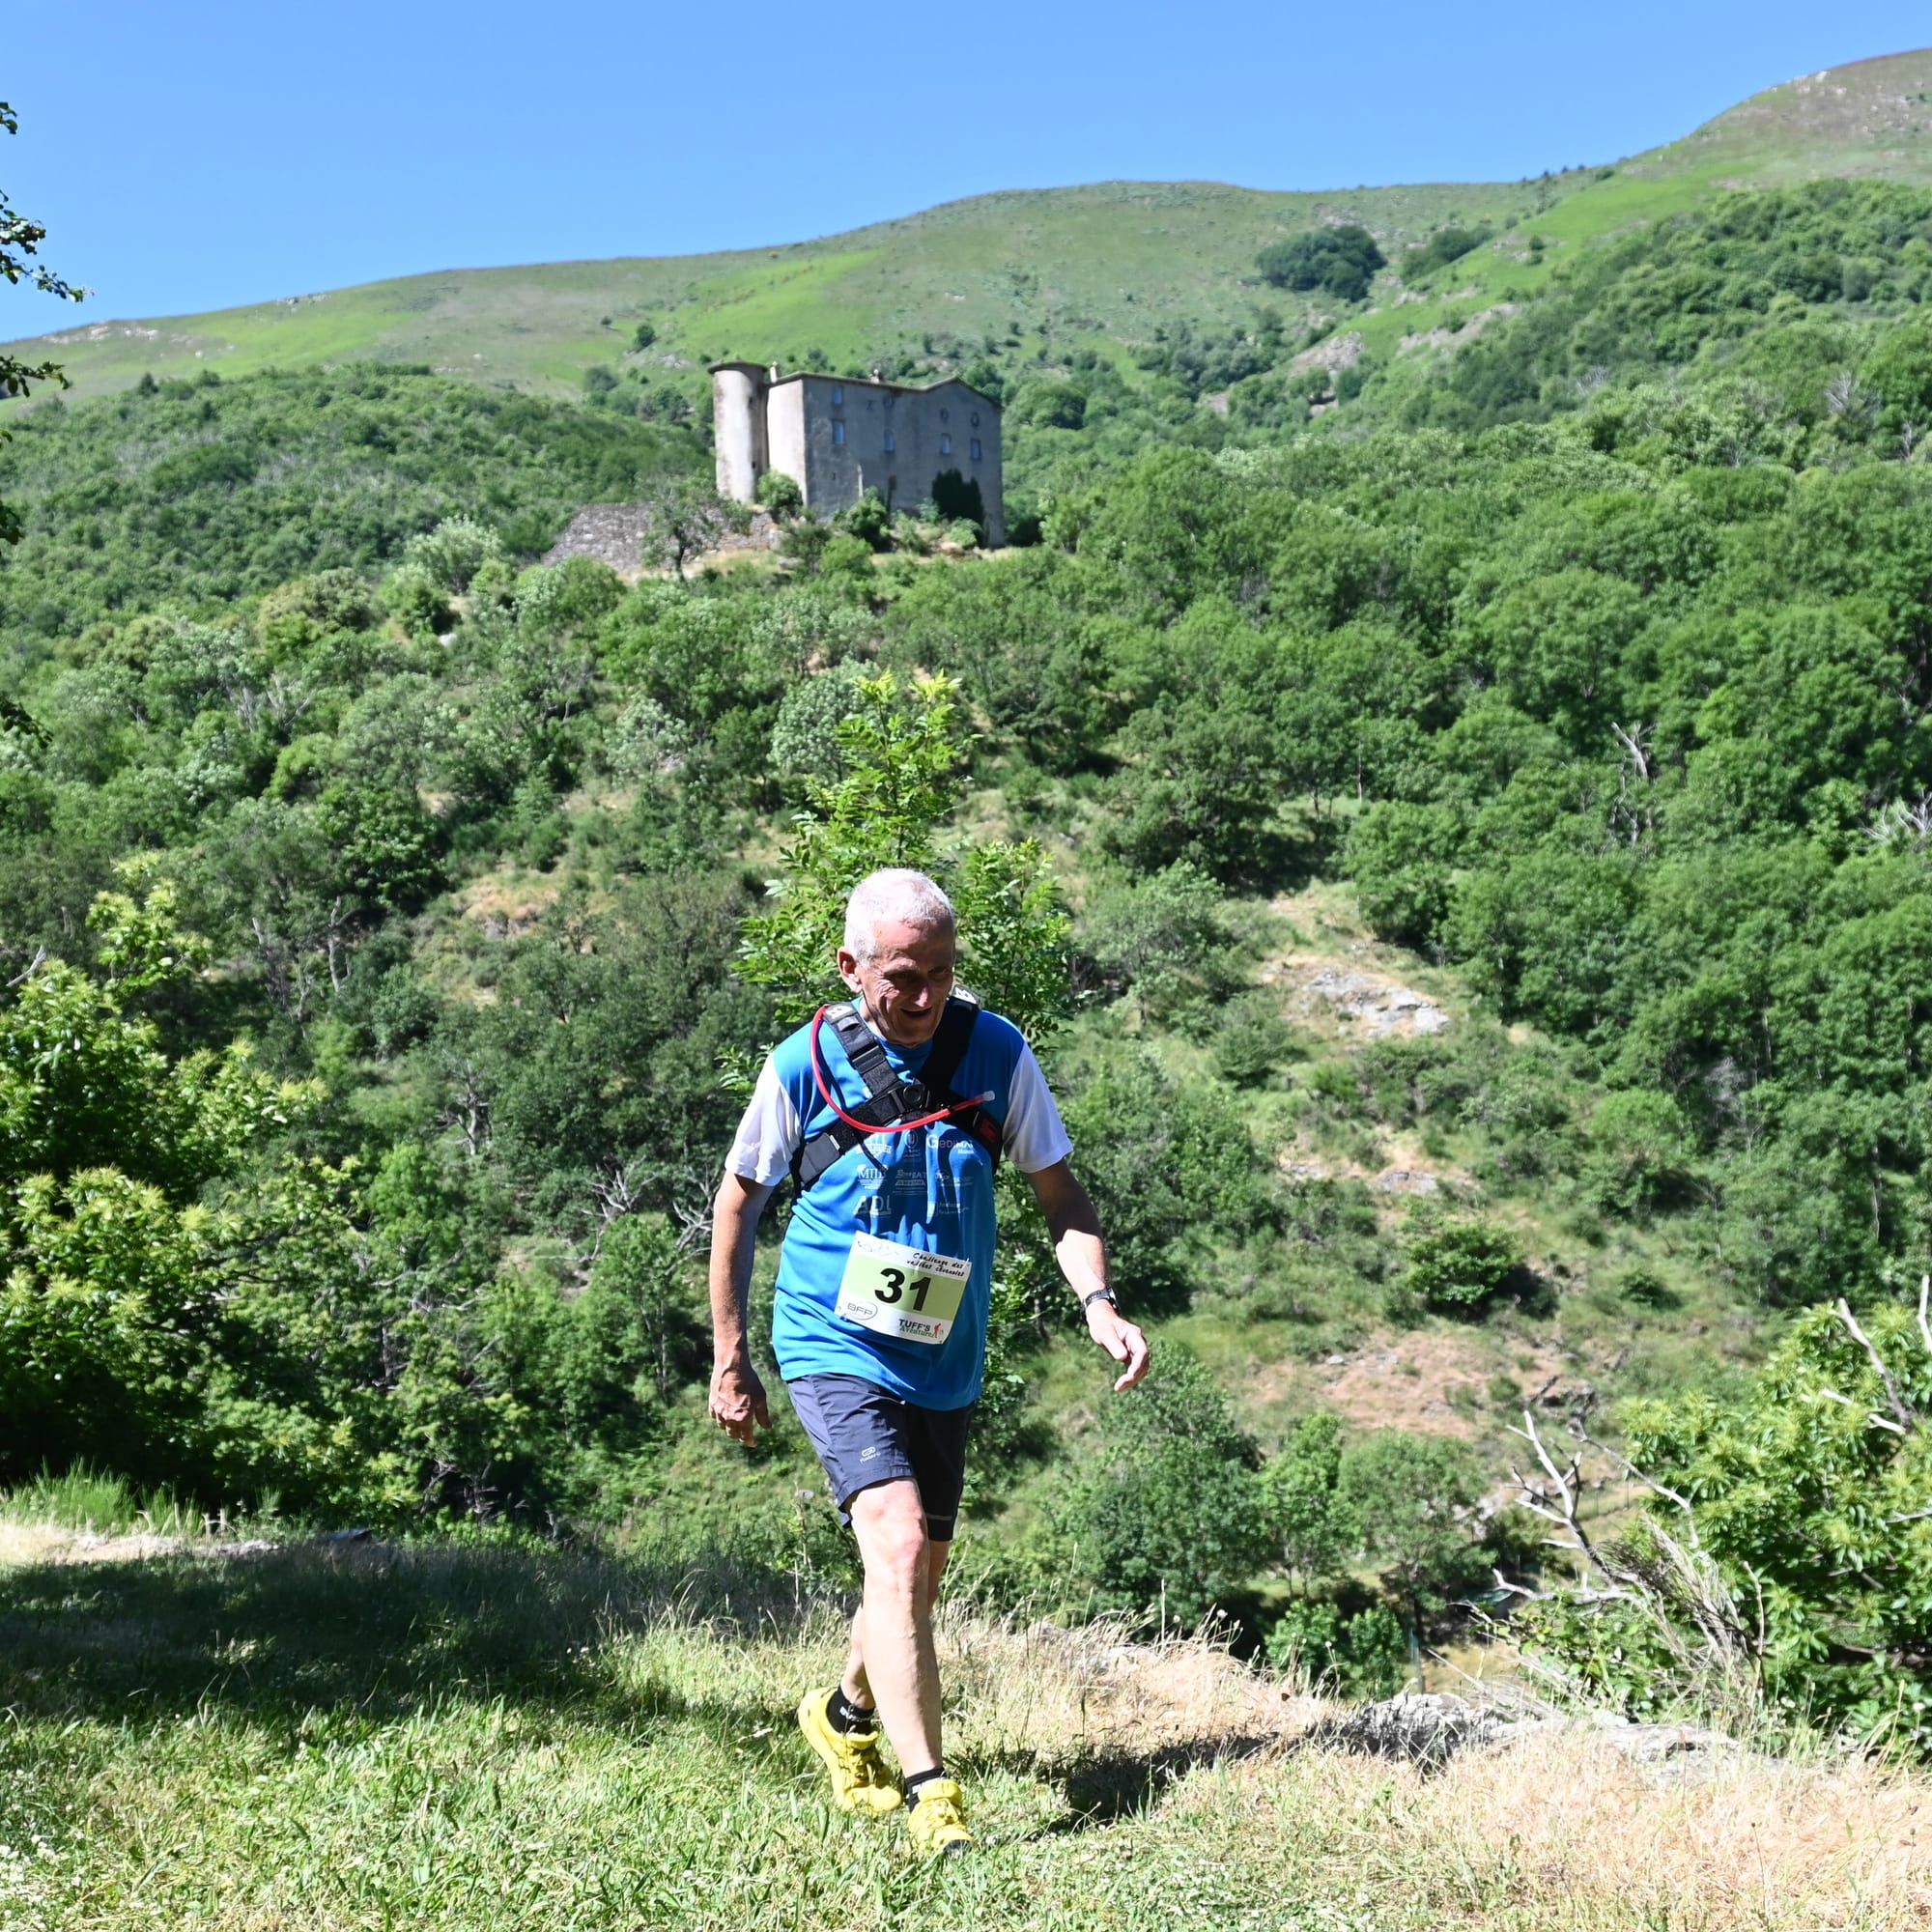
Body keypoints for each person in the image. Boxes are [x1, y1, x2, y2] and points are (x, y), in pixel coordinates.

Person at [708, 867, 1150, 1856]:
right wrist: (728, 1356)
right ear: (849, 965)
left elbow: (1059, 1196)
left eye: (940, 975)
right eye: (901, 976)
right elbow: (737, 1203)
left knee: (914, 1570)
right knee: (898, 1544)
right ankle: (931, 1794)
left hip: (942, 1352)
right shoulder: (800, 1066)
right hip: (831, 1335)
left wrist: (1097, 1302)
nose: (921, 997)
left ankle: (841, 1711)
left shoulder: (995, 1053)